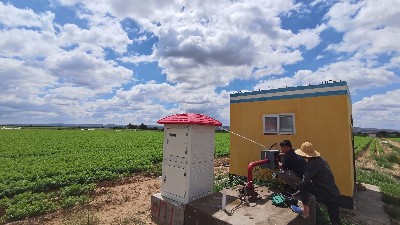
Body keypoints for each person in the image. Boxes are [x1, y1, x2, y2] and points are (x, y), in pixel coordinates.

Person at [294, 142, 341, 225]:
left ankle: (305, 212)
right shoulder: (321, 160)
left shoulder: (312, 164)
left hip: (326, 192)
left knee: (302, 185)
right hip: (334, 192)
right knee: (335, 220)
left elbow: (305, 181)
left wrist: (301, 192)